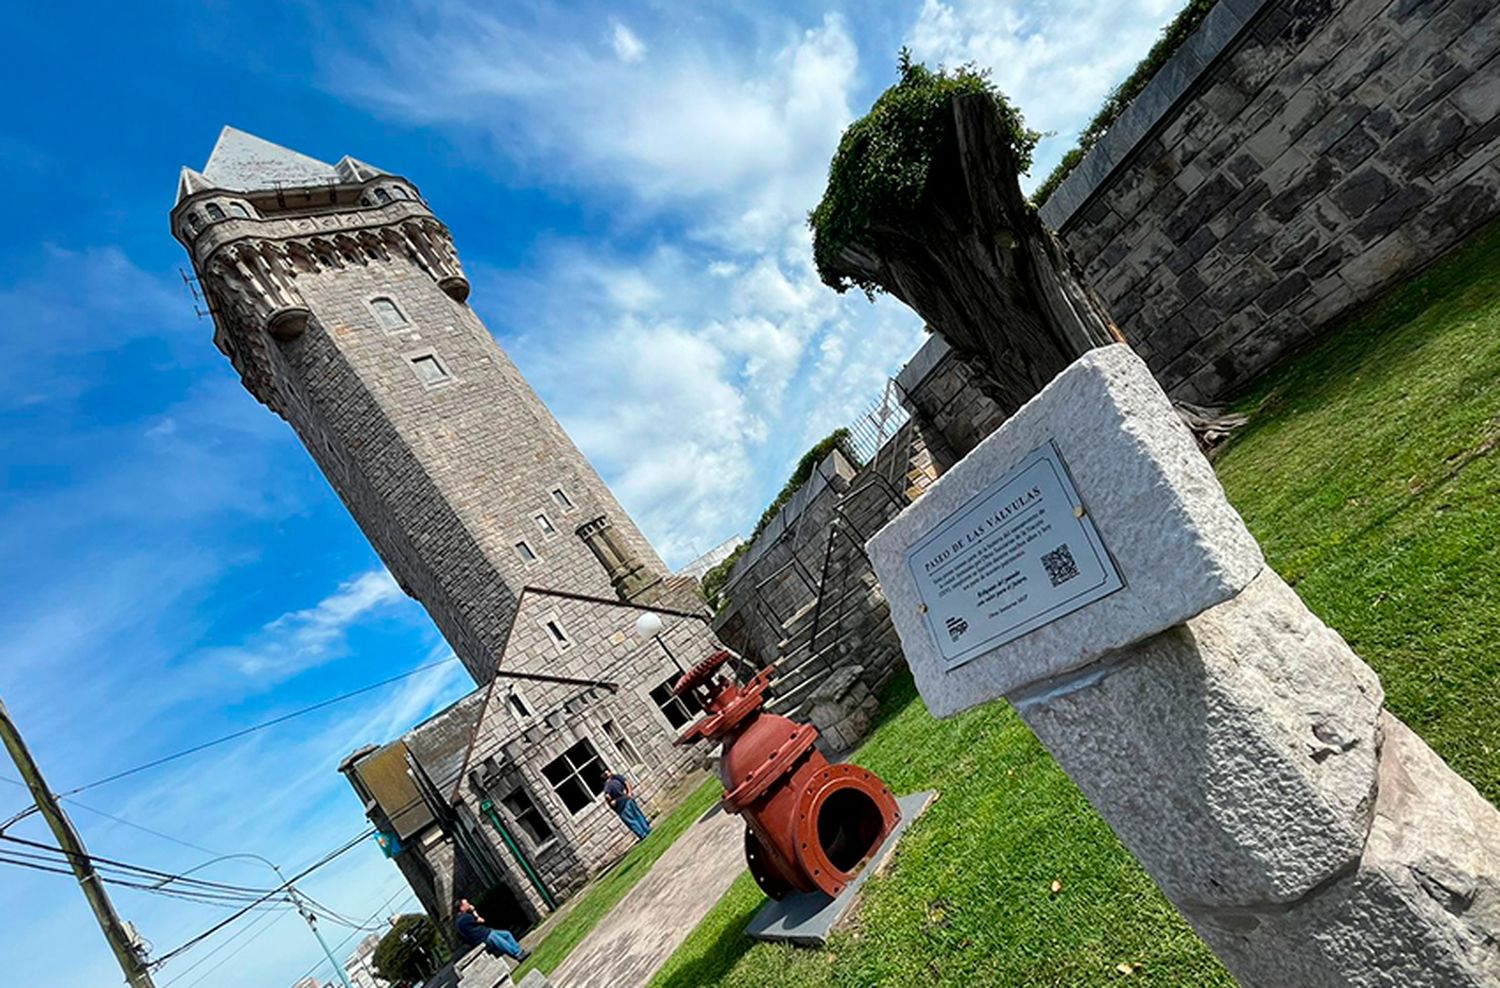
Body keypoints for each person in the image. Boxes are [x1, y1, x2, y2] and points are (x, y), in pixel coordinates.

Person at [454, 898, 529, 962]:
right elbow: (481, 920)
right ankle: (518, 954)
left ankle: (519, 951)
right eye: (466, 903)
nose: (468, 904)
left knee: (506, 934)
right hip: (485, 935)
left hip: (486, 932)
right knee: (502, 943)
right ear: (462, 908)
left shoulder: (458, 921)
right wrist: (473, 910)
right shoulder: (465, 918)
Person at [602, 768, 651, 839]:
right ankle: (647, 829)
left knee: (632, 821)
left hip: (621, 806)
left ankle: (643, 834)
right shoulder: (616, 780)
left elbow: (607, 796)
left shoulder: (608, 786)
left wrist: (611, 801)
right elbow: (626, 783)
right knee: (637, 814)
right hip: (628, 799)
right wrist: (629, 794)